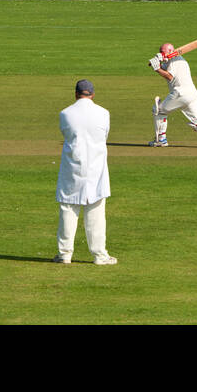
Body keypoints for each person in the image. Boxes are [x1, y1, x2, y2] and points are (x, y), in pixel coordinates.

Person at [55, 79, 117, 265]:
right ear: (92, 94)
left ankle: (65, 254)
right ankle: (99, 255)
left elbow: (67, 134)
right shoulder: (103, 113)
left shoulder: (65, 113)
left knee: (68, 207)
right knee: (96, 210)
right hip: (96, 167)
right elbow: (104, 135)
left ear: (75, 94)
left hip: (73, 166)